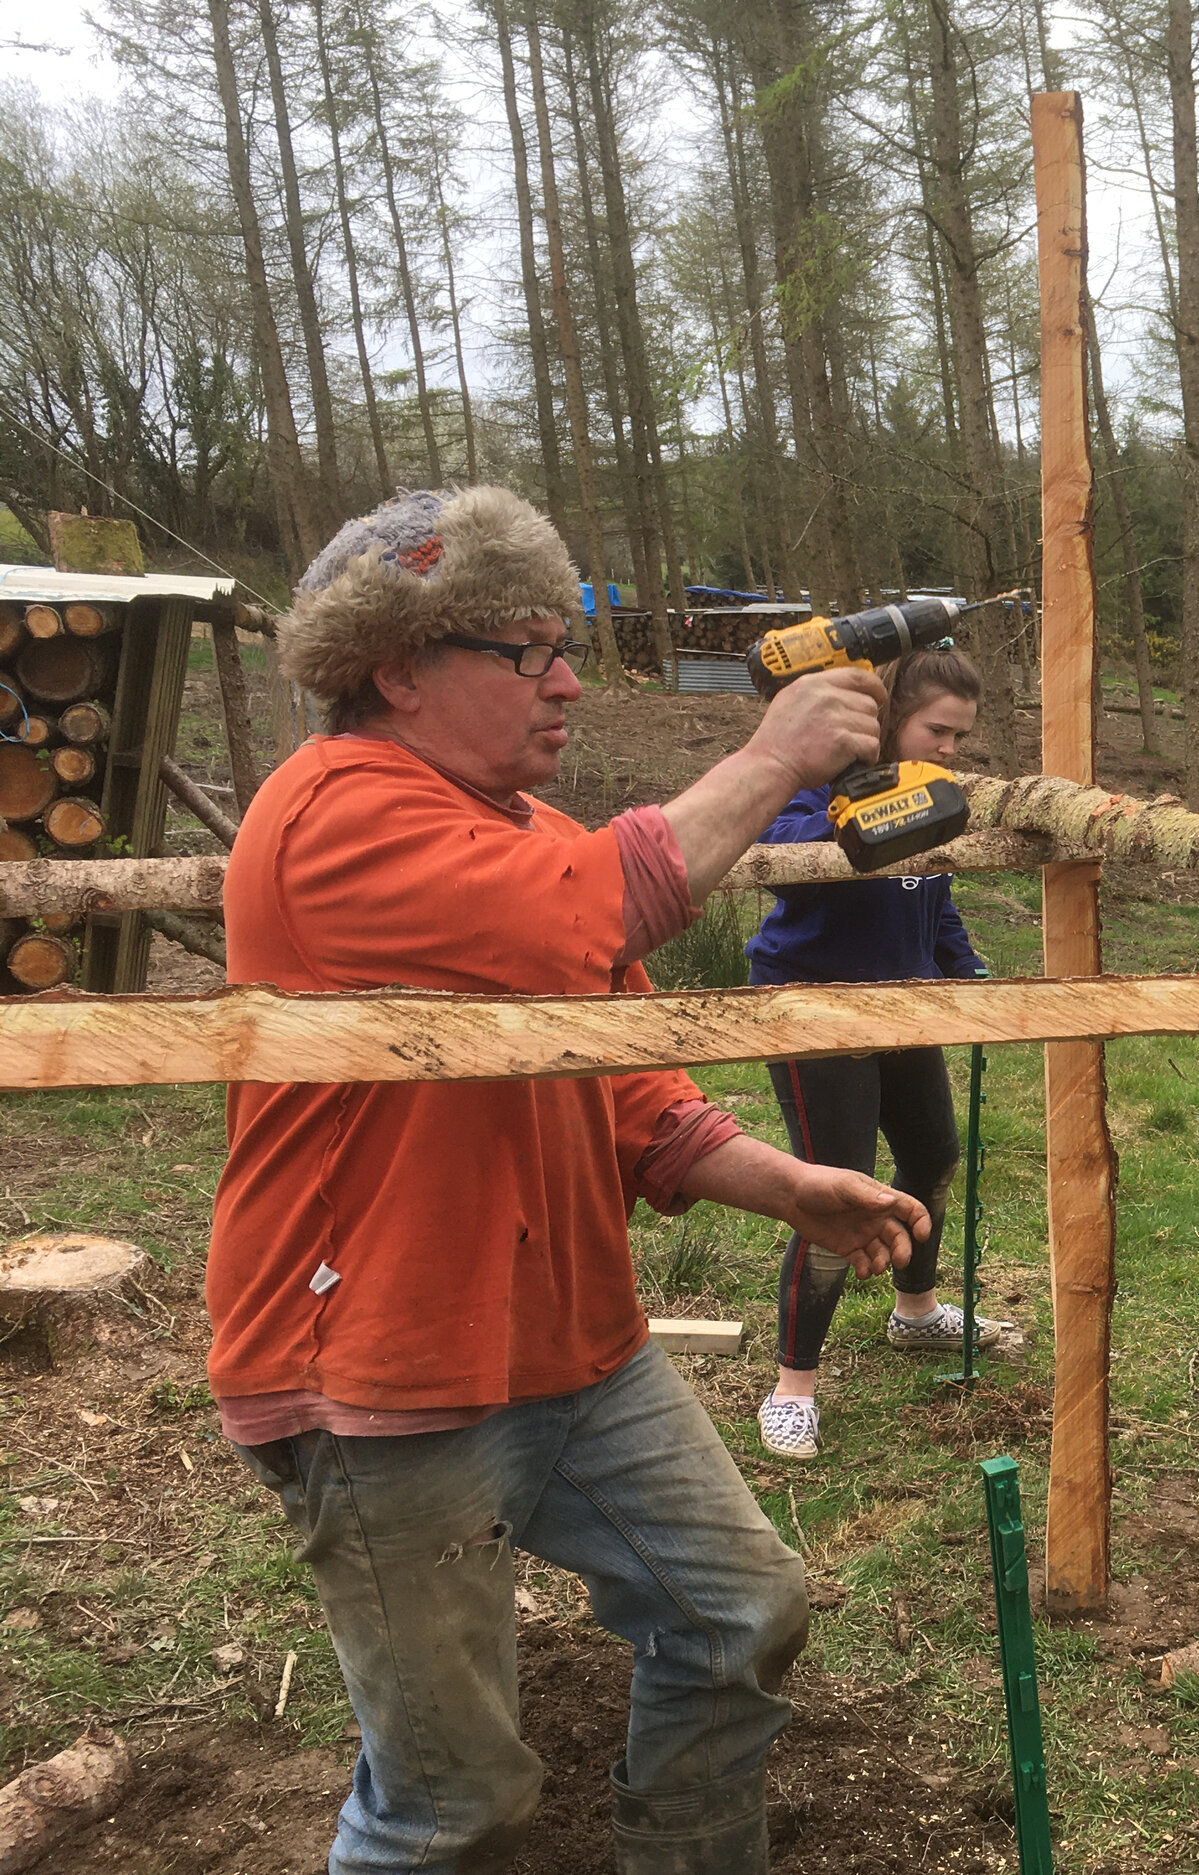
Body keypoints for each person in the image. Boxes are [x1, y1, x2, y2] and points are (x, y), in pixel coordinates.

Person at [210, 486, 931, 1875]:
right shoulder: (334, 814)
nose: (566, 677)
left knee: (737, 1614)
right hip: (382, 1369)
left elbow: (625, 1074)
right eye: (525, 647)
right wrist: (774, 751)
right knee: (451, 1802)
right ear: (400, 665)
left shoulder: (518, 825)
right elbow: (591, 915)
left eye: (563, 641)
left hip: (570, 1349)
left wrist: (788, 1182)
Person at [745, 644, 1009, 1460]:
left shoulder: (937, 795)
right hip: (814, 1008)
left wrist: (964, 973)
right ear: (893, 719)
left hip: (901, 1003)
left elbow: (934, 898)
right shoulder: (823, 781)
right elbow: (782, 861)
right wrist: (859, 811)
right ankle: (793, 1384)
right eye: (939, 730)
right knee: (840, 1192)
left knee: (932, 1154)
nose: (952, 749)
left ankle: (916, 1310)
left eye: (962, 735)